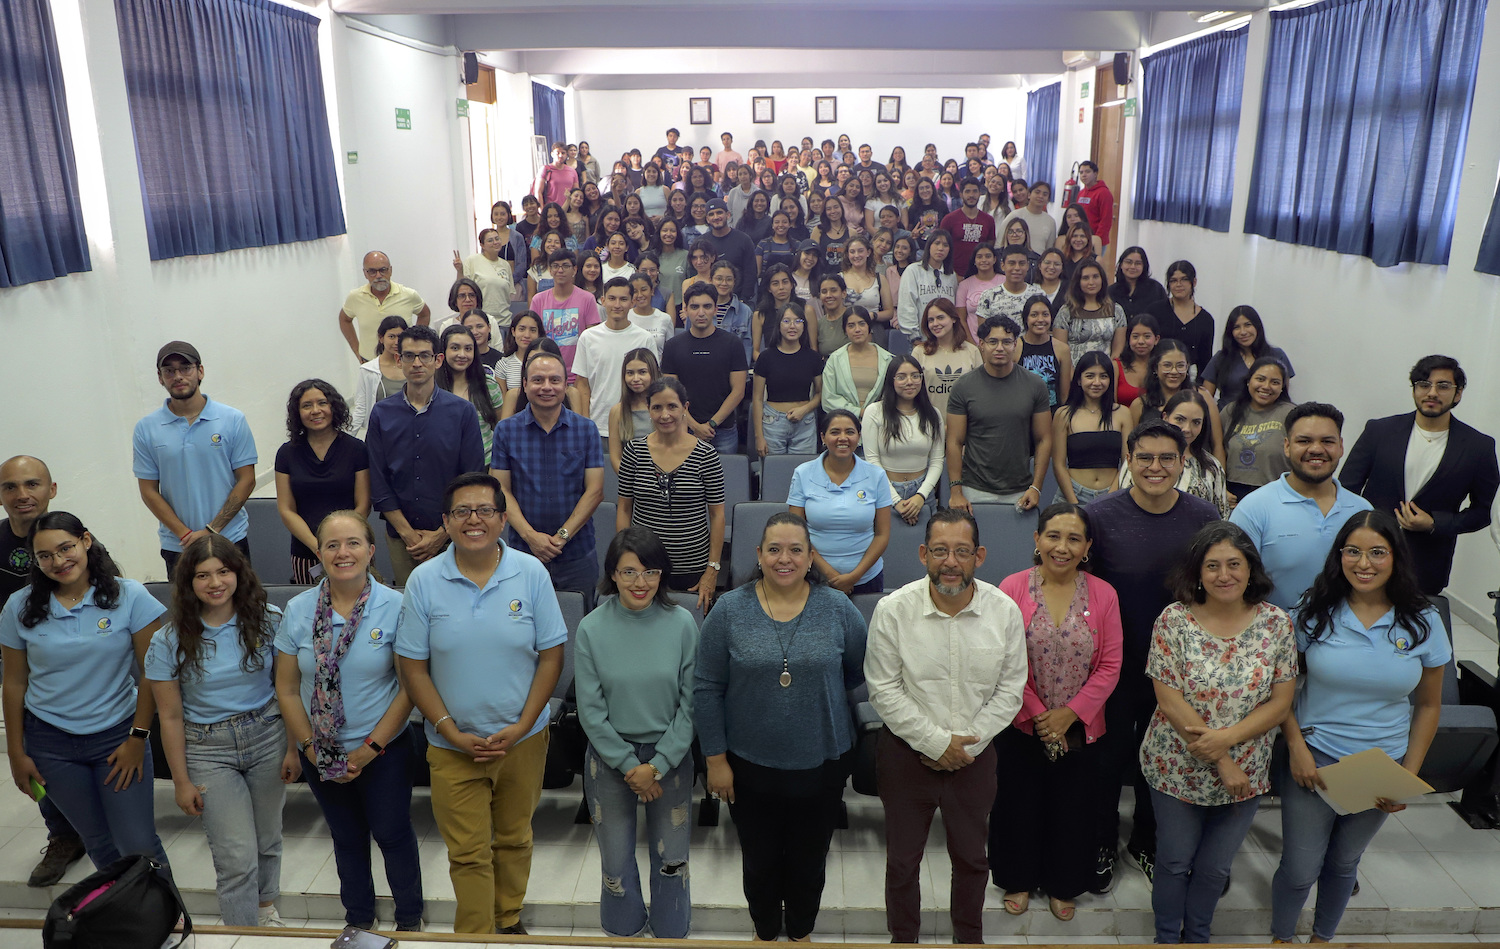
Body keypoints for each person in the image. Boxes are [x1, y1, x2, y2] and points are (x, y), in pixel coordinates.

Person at [393, 473, 564, 935]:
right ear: (446, 522)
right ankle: (474, 936)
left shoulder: (531, 572)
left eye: (485, 510)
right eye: (462, 512)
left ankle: (507, 922)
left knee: (514, 839)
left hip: (522, 740)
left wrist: (523, 725)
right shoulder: (424, 580)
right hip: (452, 744)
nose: (474, 519)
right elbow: (413, 668)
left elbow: (551, 658)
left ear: (503, 520)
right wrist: (449, 729)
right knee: (467, 852)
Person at [1270, 511, 1449, 944]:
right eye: (1353, 551)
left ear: (1395, 557)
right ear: (1339, 556)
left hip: (1380, 766)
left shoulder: (1422, 620)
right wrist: (1296, 748)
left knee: (1344, 863)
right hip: (1315, 760)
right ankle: (1281, 938)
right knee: (1300, 868)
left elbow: (1429, 705)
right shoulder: (1314, 611)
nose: (1363, 563)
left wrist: (1406, 776)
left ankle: (1322, 939)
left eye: (1377, 553)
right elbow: (1280, 690)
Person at [696, 512, 867, 942]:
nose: (784, 558)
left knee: (810, 863)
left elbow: (855, 672)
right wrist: (715, 759)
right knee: (760, 862)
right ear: (759, 555)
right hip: (748, 766)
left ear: (811, 557)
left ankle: (801, 934)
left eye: (795, 550)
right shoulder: (729, 611)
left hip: (822, 763)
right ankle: (766, 933)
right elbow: (707, 688)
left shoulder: (838, 609)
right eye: (774, 549)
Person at [866, 507, 1028, 943]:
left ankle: (968, 939)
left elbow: (1011, 690)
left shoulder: (1004, 611)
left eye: (961, 551)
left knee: (972, 860)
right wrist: (937, 743)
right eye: (940, 551)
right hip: (906, 755)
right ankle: (904, 939)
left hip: (975, 757)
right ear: (923, 554)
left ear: (980, 555)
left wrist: (964, 748)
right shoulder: (893, 610)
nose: (950, 562)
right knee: (902, 862)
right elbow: (883, 689)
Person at [1143, 521, 1296, 943]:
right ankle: (1165, 938)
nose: (1224, 575)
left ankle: (1198, 937)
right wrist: (1222, 758)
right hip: (1176, 765)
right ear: (1197, 572)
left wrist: (1227, 743)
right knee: (1174, 862)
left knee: (1215, 869)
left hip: (1246, 773)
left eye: (1234, 564)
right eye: (1212, 566)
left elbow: (1280, 703)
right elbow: (1170, 700)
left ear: (1250, 569)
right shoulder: (1173, 620)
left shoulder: (1277, 624)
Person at [1085, 420, 1219, 893]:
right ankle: (1100, 841)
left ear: (1183, 463)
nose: (1155, 467)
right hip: (1112, 666)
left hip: (1177, 669)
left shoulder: (1204, 517)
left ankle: (1146, 840)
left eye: (1166, 458)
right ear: (1129, 461)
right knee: (1106, 760)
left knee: (1158, 760)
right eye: (1144, 457)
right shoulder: (1099, 515)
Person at [275, 511, 422, 932]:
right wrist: (309, 748)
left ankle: (409, 920)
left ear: (371, 551)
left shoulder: (396, 606)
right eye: (332, 545)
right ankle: (358, 923)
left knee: (392, 834)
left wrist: (369, 748)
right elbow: (287, 688)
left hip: (384, 749)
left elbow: (409, 688)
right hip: (319, 751)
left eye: (353, 543)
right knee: (346, 837)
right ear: (319, 553)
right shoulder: (298, 609)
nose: (343, 553)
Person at [1, 511, 169, 878]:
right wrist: (16, 753)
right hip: (50, 745)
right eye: (45, 556)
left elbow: (153, 674)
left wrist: (138, 738)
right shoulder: (19, 606)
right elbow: (13, 683)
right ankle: (125, 912)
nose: (58, 561)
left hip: (117, 737)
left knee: (138, 843)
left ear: (86, 541)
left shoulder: (130, 596)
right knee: (98, 842)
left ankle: (164, 908)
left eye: (66, 548)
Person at [145, 535, 292, 927]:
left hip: (267, 734)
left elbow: (287, 689)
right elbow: (169, 717)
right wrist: (181, 781)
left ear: (238, 573)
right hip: (207, 748)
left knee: (268, 837)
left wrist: (294, 748)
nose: (215, 583)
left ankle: (265, 909)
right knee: (236, 856)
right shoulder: (168, 640)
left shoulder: (269, 618)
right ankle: (241, 933)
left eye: (223, 571)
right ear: (188, 582)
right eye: (202, 575)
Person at [991, 503, 1123, 921]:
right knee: (1018, 804)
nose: (1062, 547)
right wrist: (1038, 713)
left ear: (1087, 547)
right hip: (1021, 722)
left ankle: (1063, 883)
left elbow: (1110, 665)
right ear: (1037, 540)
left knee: (1072, 809)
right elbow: (1004, 659)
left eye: (1073, 539)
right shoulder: (1012, 587)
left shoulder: (1104, 593)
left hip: (1081, 727)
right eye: (1053, 536)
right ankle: (1018, 878)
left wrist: (1070, 714)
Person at [573, 527, 697, 938]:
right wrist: (631, 766)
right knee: (615, 862)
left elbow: (691, 704)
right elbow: (590, 711)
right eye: (628, 572)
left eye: (650, 572)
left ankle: (671, 933)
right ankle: (623, 934)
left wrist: (657, 766)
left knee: (672, 859)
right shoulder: (591, 628)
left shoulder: (683, 623)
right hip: (610, 759)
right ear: (612, 574)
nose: (640, 582)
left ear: (662, 575)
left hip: (670, 757)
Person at [1340, 355, 1500, 596]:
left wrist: (1436, 523)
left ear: (1458, 393)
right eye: (1424, 384)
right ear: (1414, 389)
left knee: (1415, 619)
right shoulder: (1379, 431)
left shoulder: (1478, 447)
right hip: (1366, 554)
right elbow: (1346, 490)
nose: (1432, 392)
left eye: (1443, 386)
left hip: (1426, 563)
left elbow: (1485, 510)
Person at [0, 457, 88, 886]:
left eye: (32, 484)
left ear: (51, 489)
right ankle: (62, 835)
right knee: (33, 755)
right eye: (10, 487)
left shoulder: (74, 539)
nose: (22, 495)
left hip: (78, 670)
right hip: (21, 669)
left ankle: (97, 823)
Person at [365, 325, 484, 585]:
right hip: (402, 539)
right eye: (409, 356)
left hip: (454, 535)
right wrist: (408, 534)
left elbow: (472, 479)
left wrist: (442, 534)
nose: (417, 363)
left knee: (456, 601)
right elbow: (378, 481)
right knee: (410, 603)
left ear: (438, 360)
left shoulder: (462, 412)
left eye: (425, 356)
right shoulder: (382, 413)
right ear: (399, 360)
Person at [1229, 403, 1375, 610]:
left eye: (1327, 441)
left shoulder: (1361, 510)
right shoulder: (1253, 509)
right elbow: (1233, 583)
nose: (1316, 449)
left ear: (1341, 446)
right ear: (1287, 446)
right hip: (1276, 630)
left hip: (1347, 630)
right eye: (1304, 441)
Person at [134, 341, 258, 574]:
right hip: (179, 545)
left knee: (241, 598)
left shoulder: (232, 419)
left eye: (186, 368)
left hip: (230, 539)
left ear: (200, 371)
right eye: (169, 371)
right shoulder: (146, 429)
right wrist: (186, 535)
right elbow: (148, 490)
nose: (178, 376)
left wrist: (212, 530)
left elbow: (247, 479)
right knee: (185, 600)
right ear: (160, 378)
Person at [490, 349, 607, 596]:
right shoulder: (506, 431)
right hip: (523, 553)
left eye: (554, 380)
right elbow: (501, 490)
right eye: (538, 380)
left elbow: (595, 491)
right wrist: (531, 537)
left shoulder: (586, 429)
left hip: (577, 554)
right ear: (524, 384)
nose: (546, 387)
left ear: (565, 385)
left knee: (578, 617)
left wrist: (562, 537)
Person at [618, 377, 726, 611]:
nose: (664, 415)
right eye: (657, 407)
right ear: (648, 409)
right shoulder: (634, 452)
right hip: (644, 566)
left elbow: (717, 516)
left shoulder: (706, 456)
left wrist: (713, 568)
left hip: (693, 566)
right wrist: (625, 561)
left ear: (685, 407)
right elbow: (624, 509)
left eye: (672, 406)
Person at [946, 316, 1052, 512]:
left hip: (1021, 490)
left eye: (1007, 342)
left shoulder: (1035, 385)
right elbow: (954, 441)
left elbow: (1044, 439)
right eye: (993, 342)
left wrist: (1036, 487)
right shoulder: (963, 387)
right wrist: (956, 491)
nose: (1000, 348)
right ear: (981, 345)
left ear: (1015, 344)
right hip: (973, 489)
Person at [275, 380, 371, 584]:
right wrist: (318, 546)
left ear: (333, 406)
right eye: (306, 405)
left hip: (352, 549)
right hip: (306, 551)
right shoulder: (286, 453)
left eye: (322, 403)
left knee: (358, 600)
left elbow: (363, 504)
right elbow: (286, 509)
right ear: (297, 413)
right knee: (311, 603)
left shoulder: (357, 449)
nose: (315, 410)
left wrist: (340, 544)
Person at [789, 410, 893, 595]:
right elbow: (796, 534)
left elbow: (882, 535)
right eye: (835, 432)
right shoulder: (803, 473)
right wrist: (830, 574)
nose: (843, 438)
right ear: (823, 437)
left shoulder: (876, 475)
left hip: (866, 578)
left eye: (850, 432)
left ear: (859, 437)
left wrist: (854, 576)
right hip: (815, 577)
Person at [660, 282, 749, 454]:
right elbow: (670, 393)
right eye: (695, 307)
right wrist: (694, 426)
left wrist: (711, 424)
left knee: (727, 473)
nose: (701, 313)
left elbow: (738, 391)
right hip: (684, 428)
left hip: (724, 430)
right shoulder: (672, 346)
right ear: (685, 310)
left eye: (707, 306)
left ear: (715, 309)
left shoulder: (732, 343)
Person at [573, 277, 661, 440]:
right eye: (612, 298)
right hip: (598, 426)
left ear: (632, 302)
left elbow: (653, 383)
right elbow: (582, 384)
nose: (617, 305)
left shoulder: (645, 338)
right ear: (603, 301)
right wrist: (586, 423)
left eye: (623, 299)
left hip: (637, 427)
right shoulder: (588, 337)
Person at [1122, 391, 1232, 517]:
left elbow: (1221, 516)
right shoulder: (1140, 458)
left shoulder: (1212, 466)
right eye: (1180, 420)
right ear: (1165, 417)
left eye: (1196, 422)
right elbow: (1123, 503)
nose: (1187, 429)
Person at [863, 356, 944, 526]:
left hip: (923, 491)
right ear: (891, 380)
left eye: (915, 376)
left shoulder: (933, 414)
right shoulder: (875, 412)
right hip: (885, 490)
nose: (910, 382)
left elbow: (937, 461)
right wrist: (896, 500)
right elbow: (872, 460)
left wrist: (921, 496)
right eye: (901, 377)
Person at [1052, 353, 1131, 505]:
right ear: (1079, 380)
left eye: (1103, 376)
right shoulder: (1063, 414)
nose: (1097, 382)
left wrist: (1110, 497)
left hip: (1113, 495)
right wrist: (1074, 503)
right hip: (1073, 494)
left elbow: (1127, 463)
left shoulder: (1122, 413)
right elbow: (1058, 464)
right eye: (1090, 376)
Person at [753, 300, 823, 457]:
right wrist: (759, 437)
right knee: (773, 470)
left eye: (798, 321)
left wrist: (805, 409)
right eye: (786, 321)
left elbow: (820, 394)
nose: (792, 326)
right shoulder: (766, 357)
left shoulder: (813, 358)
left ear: (804, 326)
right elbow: (757, 399)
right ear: (778, 325)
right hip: (773, 422)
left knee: (803, 470)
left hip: (805, 422)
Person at [1221, 357, 1295, 502]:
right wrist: (1221, 488)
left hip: (1276, 494)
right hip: (1232, 493)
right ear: (1249, 381)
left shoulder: (1291, 414)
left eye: (1275, 382)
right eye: (1260, 379)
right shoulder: (1230, 411)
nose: (1266, 386)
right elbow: (1216, 450)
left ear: (1282, 387)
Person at [339, 251, 430, 361]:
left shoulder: (408, 295)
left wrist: (415, 342)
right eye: (372, 271)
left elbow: (424, 314)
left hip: (403, 362)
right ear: (365, 273)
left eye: (383, 270)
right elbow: (344, 319)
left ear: (390, 270)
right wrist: (357, 350)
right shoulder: (355, 297)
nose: (378, 276)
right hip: (369, 362)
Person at [529, 249, 602, 382]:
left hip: (578, 375)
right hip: (546, 375)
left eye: (565, 266)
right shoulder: (538, 300)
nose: (560, 270)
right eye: (555, 266)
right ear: (550, 270)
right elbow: (533, 339)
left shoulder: (587, 299)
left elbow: (593, 338)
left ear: (574, 270)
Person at [1201, 306, 1295, 407]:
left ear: (1257, 326)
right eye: (1236, 327)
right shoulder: (1221, 358)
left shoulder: (1277, 355)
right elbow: (1206, 399)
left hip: (1267, 415)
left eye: (1248, 325)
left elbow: (1283, 396)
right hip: (1228, 414)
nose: (1243, 332)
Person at [436, 325, 506, 461]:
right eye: (455, 348)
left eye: (468, 349)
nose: (462, 354)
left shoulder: (488, 385)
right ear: (443, 351)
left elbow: (499, 427)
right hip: (444, 462)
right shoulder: (432, 387)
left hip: (485, 462)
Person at [912, 298, 982, 417]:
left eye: (940, 318)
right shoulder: (919, 352)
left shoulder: (972, 351)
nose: (935, 324)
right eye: (931, 320)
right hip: (929, 420)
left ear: (953, 318)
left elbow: (979, 391)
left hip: (965, 421)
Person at [1147, 261, 1215, 380]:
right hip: (1156, 377)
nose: (1178, 284)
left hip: (1189, 380)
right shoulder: (1154, 311)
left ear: (1194, 282)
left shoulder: (1206, 319)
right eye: (1173, 280)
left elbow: (1205, 361)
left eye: (1184, 279)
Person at [895, 229, 958, 357]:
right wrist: (914, 338)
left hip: (946, 341)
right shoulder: (913, 271)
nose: (940, 248)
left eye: (945, 245)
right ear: (929, 245)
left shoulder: (951, 275)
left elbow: (953, 308)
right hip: (920, 340)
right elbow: (907, 305)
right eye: (937, 243)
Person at [821, 306, 892, 417]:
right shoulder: (835, 359)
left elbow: (891, 395)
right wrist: (859, 412)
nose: (857, 329)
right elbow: (828, 398)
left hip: (878, 419)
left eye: (862, 324)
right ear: (845, 330)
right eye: (851, 325)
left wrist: (873, 413)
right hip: (844, 421)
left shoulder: (887, 359)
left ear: (869, 327)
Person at [1054, 260, 1126, 366]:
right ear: (1078, 282)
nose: (1091, 282)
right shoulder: (1066, 312)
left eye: (1095, 277)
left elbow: (1117, 352)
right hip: (1072, 371)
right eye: (1085, 278)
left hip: (1105, 371)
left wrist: (1108, 372)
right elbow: (1060, 350)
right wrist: (1072, 373)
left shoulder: (1116, 310)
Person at [352, 316, 410, 438]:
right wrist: (346, 438)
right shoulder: (368, 370)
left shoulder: (413, 365)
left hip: (411, 431)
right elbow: (361, 408)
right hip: (381, 433)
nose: (396, 342)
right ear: (381, 338)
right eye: (391, 337)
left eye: (400, 337)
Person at [607, 348, 661, 471]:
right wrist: (630, 479)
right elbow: (615, 458)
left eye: (642, 372)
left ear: (653, 373)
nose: (635, 378)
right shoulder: (617, 411)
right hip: (631, 479)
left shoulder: (667, 409)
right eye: (630, 373)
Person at [973, 246, 1044, 335]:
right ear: (1003, 266)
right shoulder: (988, 296)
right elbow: (983, 334)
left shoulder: (1038, 295)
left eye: (1021, 263)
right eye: (1011, 263)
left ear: (1027, 265)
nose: (1017, 268)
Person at [1019, 294, 1073, 409]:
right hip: (1022, 413)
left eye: (1045, 314)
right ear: (1026, 318)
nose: (1040, 320)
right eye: (1034, 315)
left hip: (1053, 412)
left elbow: (1064, 395)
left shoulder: (1062, 349)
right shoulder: (1015, 347)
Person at [453, 228, 517, 325]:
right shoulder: (472, 260)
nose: (495, 242)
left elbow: (509, 293)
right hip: (481, 321)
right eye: (490, 240)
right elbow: (461, 287)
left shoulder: (505, 265)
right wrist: (460, 270)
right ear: (482, 245)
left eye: (497, 239)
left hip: (504, 321)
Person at [939, 179, 996, 280]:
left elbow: (990, 245)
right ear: (961, 194)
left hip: (980, 276)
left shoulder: (989, 220)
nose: (971, 195)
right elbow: (940, 246)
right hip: (953, 275)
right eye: (967, 191)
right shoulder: (949, 219)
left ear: (980, 194)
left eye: (975, 191)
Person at [955, 243, 1003, 333]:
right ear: (974, 260)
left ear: (994, 259)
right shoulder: (964, 285)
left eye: (988, 256)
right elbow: (961, 319)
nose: (984, 260)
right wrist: (971, 341)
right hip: (973, 339)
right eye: (979, 257)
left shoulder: (1005, 281)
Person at [495, 310, 547, 394]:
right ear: (513, 331)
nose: (527, 335)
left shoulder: (547, 362)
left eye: (533, 330)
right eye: (522, 329)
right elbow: (503, 400)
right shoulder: (503, 365)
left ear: (539, 334)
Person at [1001, 180, 1058, 256]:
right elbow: (1000, 242)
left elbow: (1049, 250)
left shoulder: (1050, 221)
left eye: (1045, 194)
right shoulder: (1015, 215)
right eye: (1037, 192)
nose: (1040, 196)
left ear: (1048, 199)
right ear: (1029, 195)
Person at [1115, 313, 1159, 409]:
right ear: (1129, 338)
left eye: (1147, 336)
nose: (1141, 341)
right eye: (1135, 337)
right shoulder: (1116, 366)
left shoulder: (1161, 366)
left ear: (1156, 339)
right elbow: (1111, 404)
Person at [1111, 246, 1168, 318]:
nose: (1132, 267)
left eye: (1138, 263)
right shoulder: (1111, 291)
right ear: (1121, 265)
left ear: (1144, 266)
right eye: (1128, 262)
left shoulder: (1156, 289)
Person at [1073, 161, 1115, 252]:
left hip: (1095, 239)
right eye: (1081, 172)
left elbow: (1106, 220)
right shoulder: (1081, 193)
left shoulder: (1104, 193)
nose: (1084, 175)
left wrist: (1097, 240)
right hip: (1080, 239)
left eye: (1087, 172)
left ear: (1095, 174)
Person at [534, 141, 579, 205]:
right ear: (552, 154)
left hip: (568, 209)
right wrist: (541, 209)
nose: (560, 155)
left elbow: (576, 193)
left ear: (566, 155)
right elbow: (538, 192)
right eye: (557, 153)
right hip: (551, 209)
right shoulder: (545, 169)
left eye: (563, 153)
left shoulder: (572, 171)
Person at [463, 308, 504, 376]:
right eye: (469, 328)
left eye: (479, 326)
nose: (475, 332)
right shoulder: (460, 358)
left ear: (489, 328)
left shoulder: (501, 359)